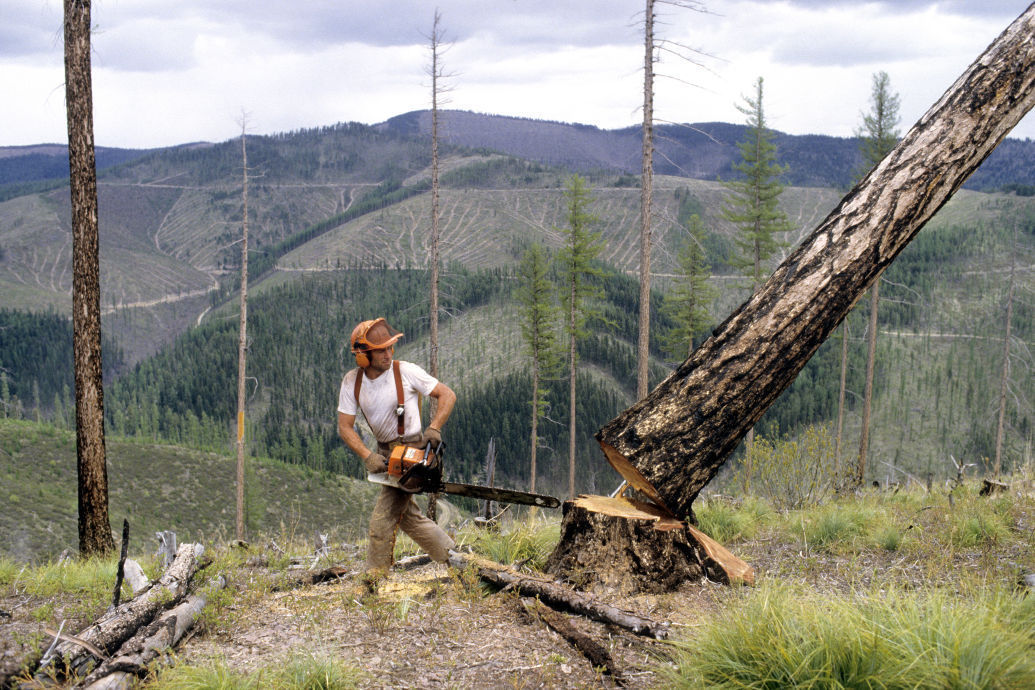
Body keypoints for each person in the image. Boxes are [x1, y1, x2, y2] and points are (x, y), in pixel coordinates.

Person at [337, 317, 457, 578]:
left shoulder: (406, 371)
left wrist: (434, 428)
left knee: (381, 522)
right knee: (409, 518)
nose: (389, 353)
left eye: (390, 347)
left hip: (412, 451)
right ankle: (455, 560)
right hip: (384, 452)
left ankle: (373, 581)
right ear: (363, 355)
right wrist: (368, 456)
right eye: (381, 350)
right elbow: (345, 426)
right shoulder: (352, 382)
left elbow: (447, 394)